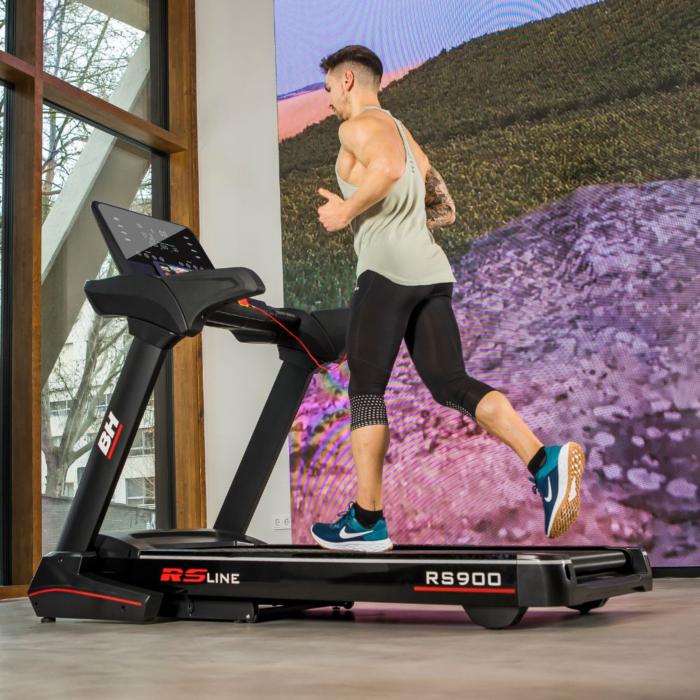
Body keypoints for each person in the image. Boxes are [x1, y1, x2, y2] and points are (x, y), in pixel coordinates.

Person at [310, 45, 585, 552]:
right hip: (430, 274)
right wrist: (407, 221)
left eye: (328, 89)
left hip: (386, 273)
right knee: (450, 383)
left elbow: (388, 169)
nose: (327, 101)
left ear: (348, 81)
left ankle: (367, 520)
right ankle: (543, 461)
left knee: (366, 392)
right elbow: (440, 201)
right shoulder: (402, 130)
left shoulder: (358, 127)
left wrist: (348, 212)